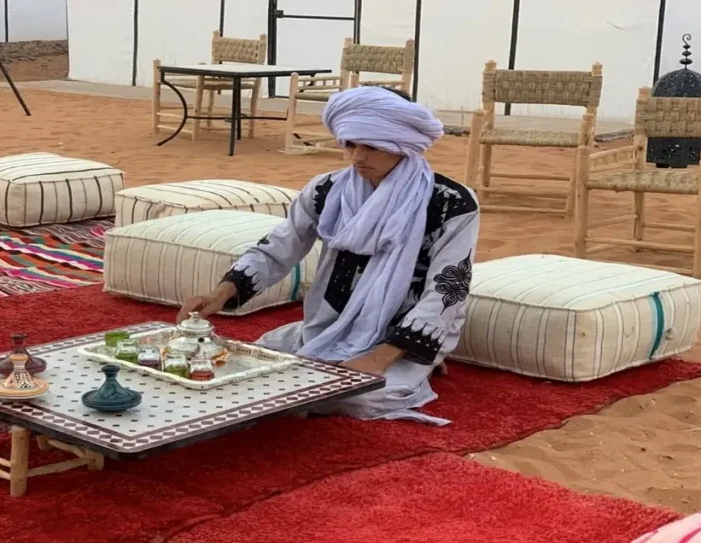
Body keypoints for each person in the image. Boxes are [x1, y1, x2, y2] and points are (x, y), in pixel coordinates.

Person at [176, 86, 479, 425]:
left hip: (403, 339)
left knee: (359, 401)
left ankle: (420, 363)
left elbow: (448, 290)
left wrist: (380, 358)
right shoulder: (328, 190)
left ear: (402, 144)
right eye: (351, 144)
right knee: (251, 364)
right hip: (330, 325)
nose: (357, 157)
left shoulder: (451, 203)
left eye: (372, 146)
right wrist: (221, 293)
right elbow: (281, 244)